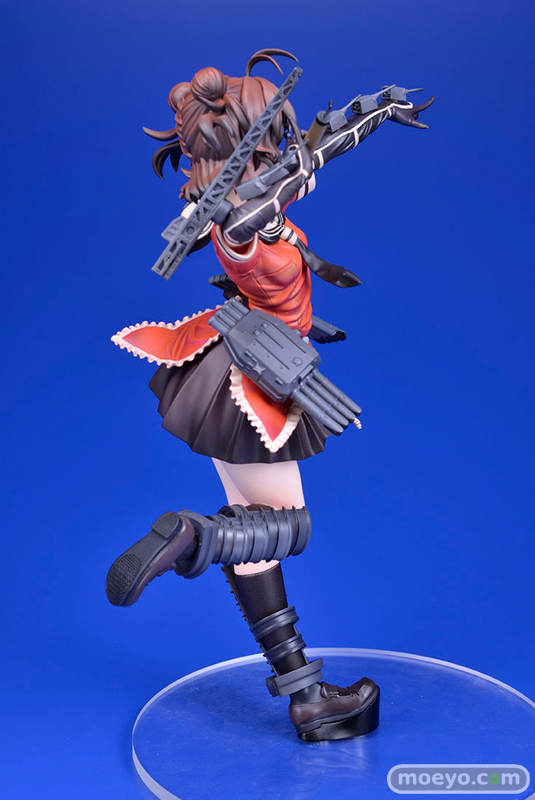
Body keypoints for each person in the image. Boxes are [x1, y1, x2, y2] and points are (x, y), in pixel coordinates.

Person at [106, 48, 433, 741]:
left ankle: (307, 697)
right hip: (255, 374)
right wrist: (360, 124)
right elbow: (306, 164)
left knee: (255, 538)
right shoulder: (244, 217)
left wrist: (370, 114)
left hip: (231, 355)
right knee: (288, 525)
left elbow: (314, 151)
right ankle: (192, 538)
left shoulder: (228, 207)